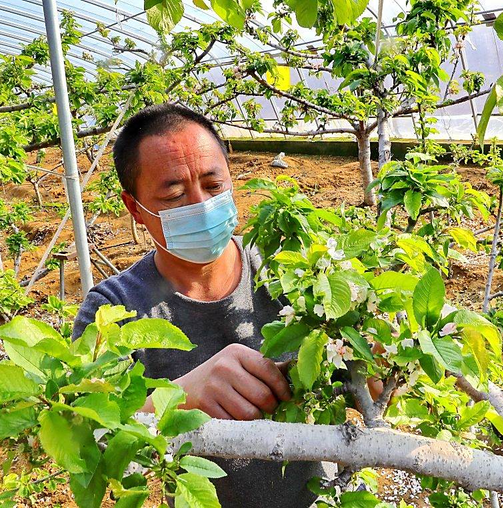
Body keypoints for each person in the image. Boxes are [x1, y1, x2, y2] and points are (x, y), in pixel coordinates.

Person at [71, 103, 323, 508]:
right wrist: (179, 398)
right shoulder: (114, 310)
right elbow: (87, 440)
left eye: (213, 184)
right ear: (136, 208)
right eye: (173, 194)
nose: (201, 205)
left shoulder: (290, 266)